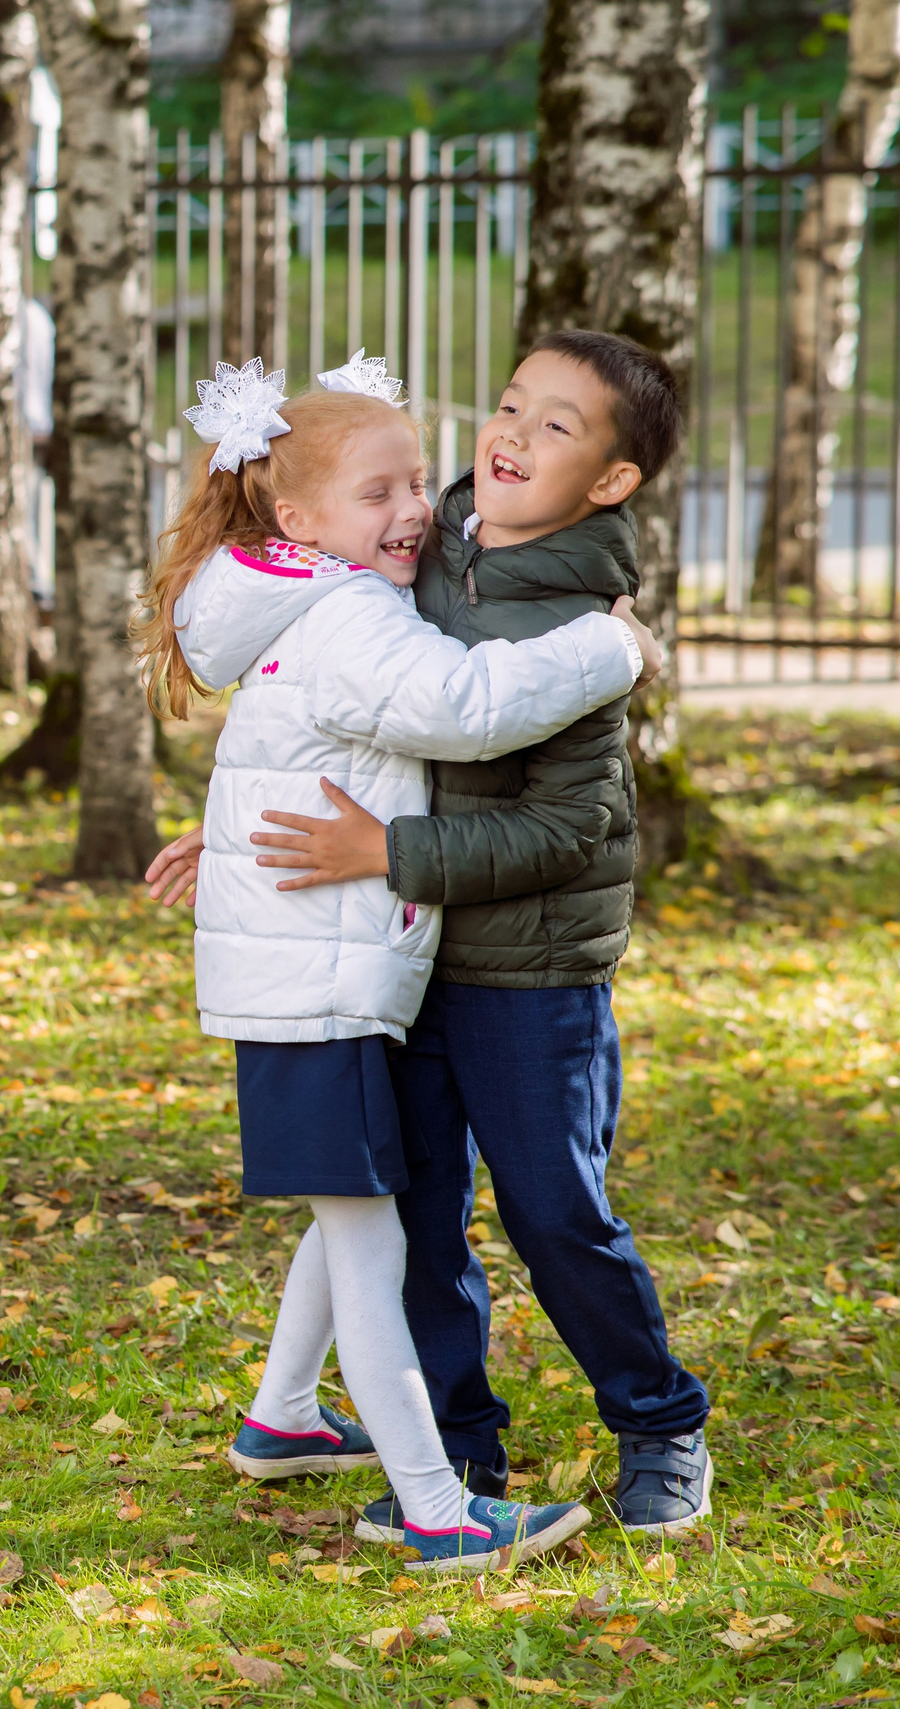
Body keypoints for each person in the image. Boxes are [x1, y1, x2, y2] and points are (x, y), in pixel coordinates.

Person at [155, 333, 717, 1539]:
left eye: (556, 426)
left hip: (523, 965)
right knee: (412, 1216)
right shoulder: (418, 549)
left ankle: (658, 1419)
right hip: (401, 957)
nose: (511, 432)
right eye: (511, 404)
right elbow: (334, 723)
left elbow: (568, 830)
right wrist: (251, 832)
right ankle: (460, 1438)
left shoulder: (576, 614)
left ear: (612, 481)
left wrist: (386, 855)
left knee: (553, 1209)